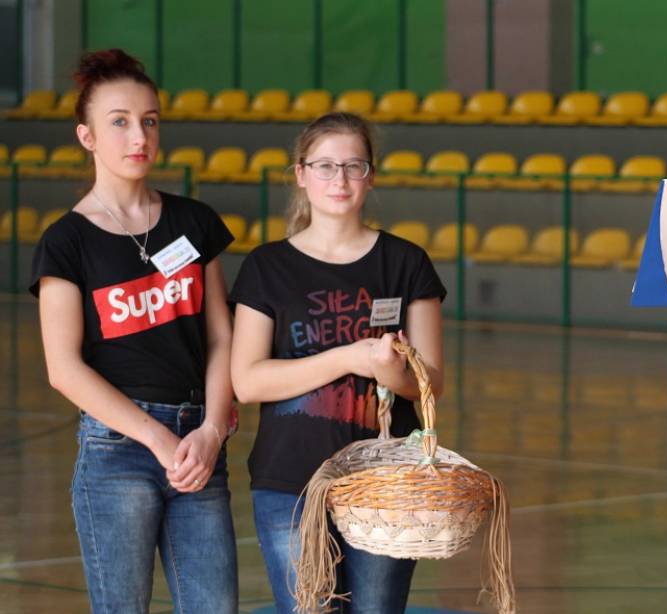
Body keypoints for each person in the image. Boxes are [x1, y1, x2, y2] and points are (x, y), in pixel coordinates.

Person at [30, 49, 238, 612]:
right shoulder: (65, 242)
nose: (138, 135)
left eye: (149, 120)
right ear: (87, 136)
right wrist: (157, 438)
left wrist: (213, 431)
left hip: (199, 445)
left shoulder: (193, 222)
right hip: (117, 452)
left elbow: (222, 338)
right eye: (118, 121)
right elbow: (63, 369)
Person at [230, 111, 446, 613]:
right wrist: (350, 356)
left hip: (385, 484)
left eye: (354, 165)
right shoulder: (267, 267)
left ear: (371, 176)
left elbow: (430, 382)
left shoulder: (405, 262)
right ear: (301, 174)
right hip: (290, 484)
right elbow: (247, 380)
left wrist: (388, 367)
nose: (340, 179)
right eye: (325, 166)